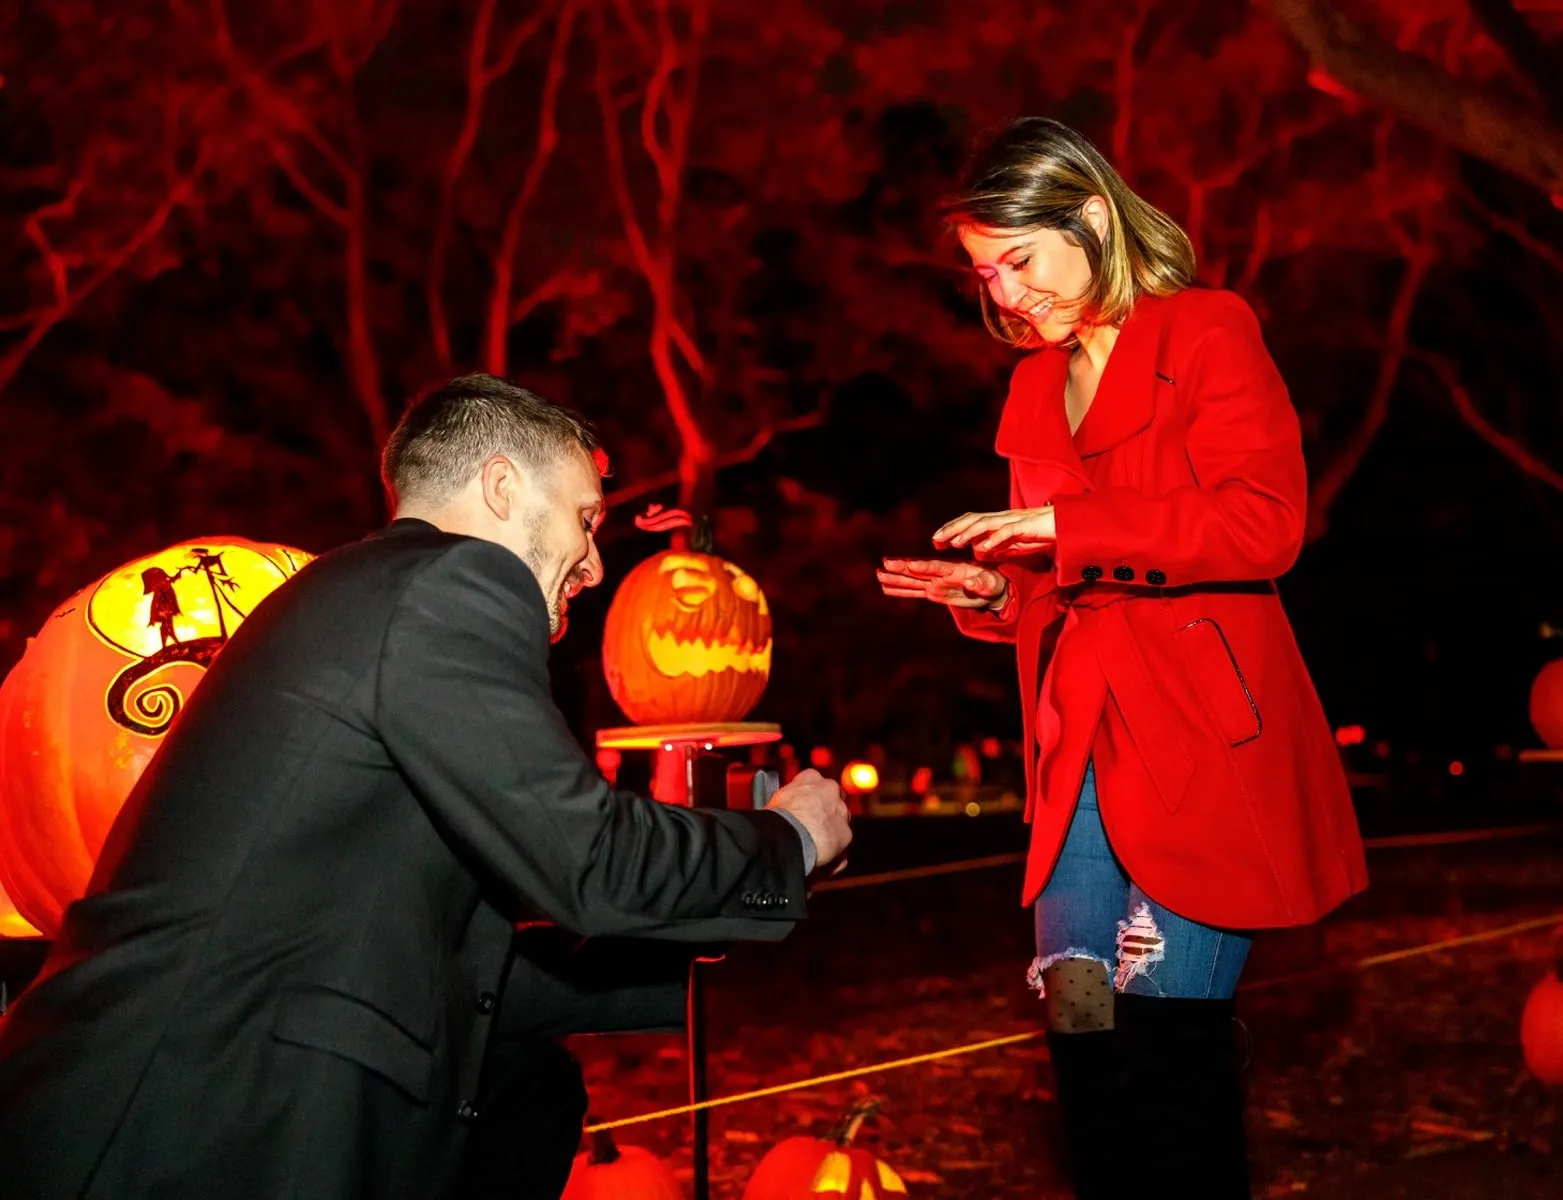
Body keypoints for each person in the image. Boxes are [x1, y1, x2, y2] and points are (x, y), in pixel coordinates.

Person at [0, 374, 851, 1200]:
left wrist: (693, 951)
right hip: (160, 1119)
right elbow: (585, 856)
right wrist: (789, 838)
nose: (593, 566)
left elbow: (445, 963)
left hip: (191, 1102)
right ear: (501, 486)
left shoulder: (371, 600)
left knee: (530, 1088)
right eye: (585, 520)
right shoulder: (447, 583)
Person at [877, 117, 1367, 1197]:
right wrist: (1000, 591)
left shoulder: (1205, 333)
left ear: (1092, 217)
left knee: (1171, 1044)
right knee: (1082, 1025)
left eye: (1020, 259)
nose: (1004, 294)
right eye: (983, 272)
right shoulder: (1030, 387)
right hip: (1084, 745)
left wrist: (1071, 532)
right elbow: (1064, 582)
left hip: (1202, 738)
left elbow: (1264, 524)